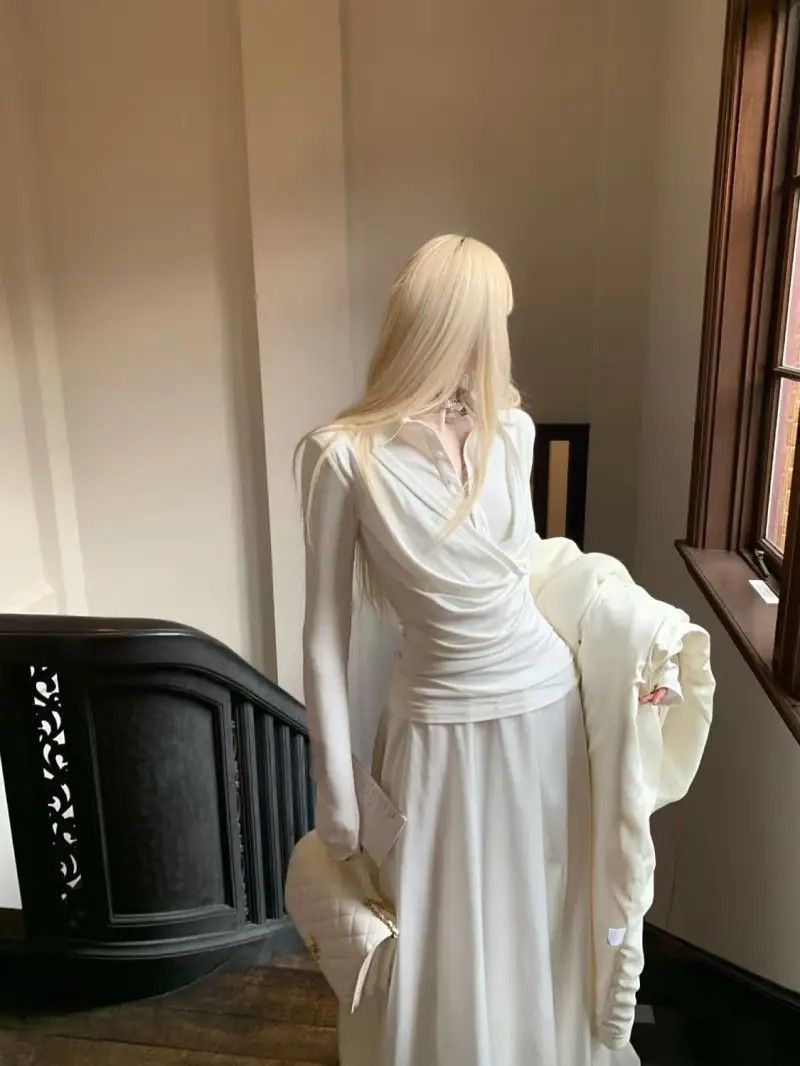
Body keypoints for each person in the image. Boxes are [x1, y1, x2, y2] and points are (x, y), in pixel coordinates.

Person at [298, 235, 665, 1066]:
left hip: (545, 716)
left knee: (542, 909)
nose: (503, 334)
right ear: (451, 324)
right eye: (496, 317)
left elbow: (534, 573)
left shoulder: (514, 433)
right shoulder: (342, 457)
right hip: (438, 732)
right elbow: (323, 636)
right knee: (437, 933)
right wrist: (335, 790)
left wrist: (641, 646)